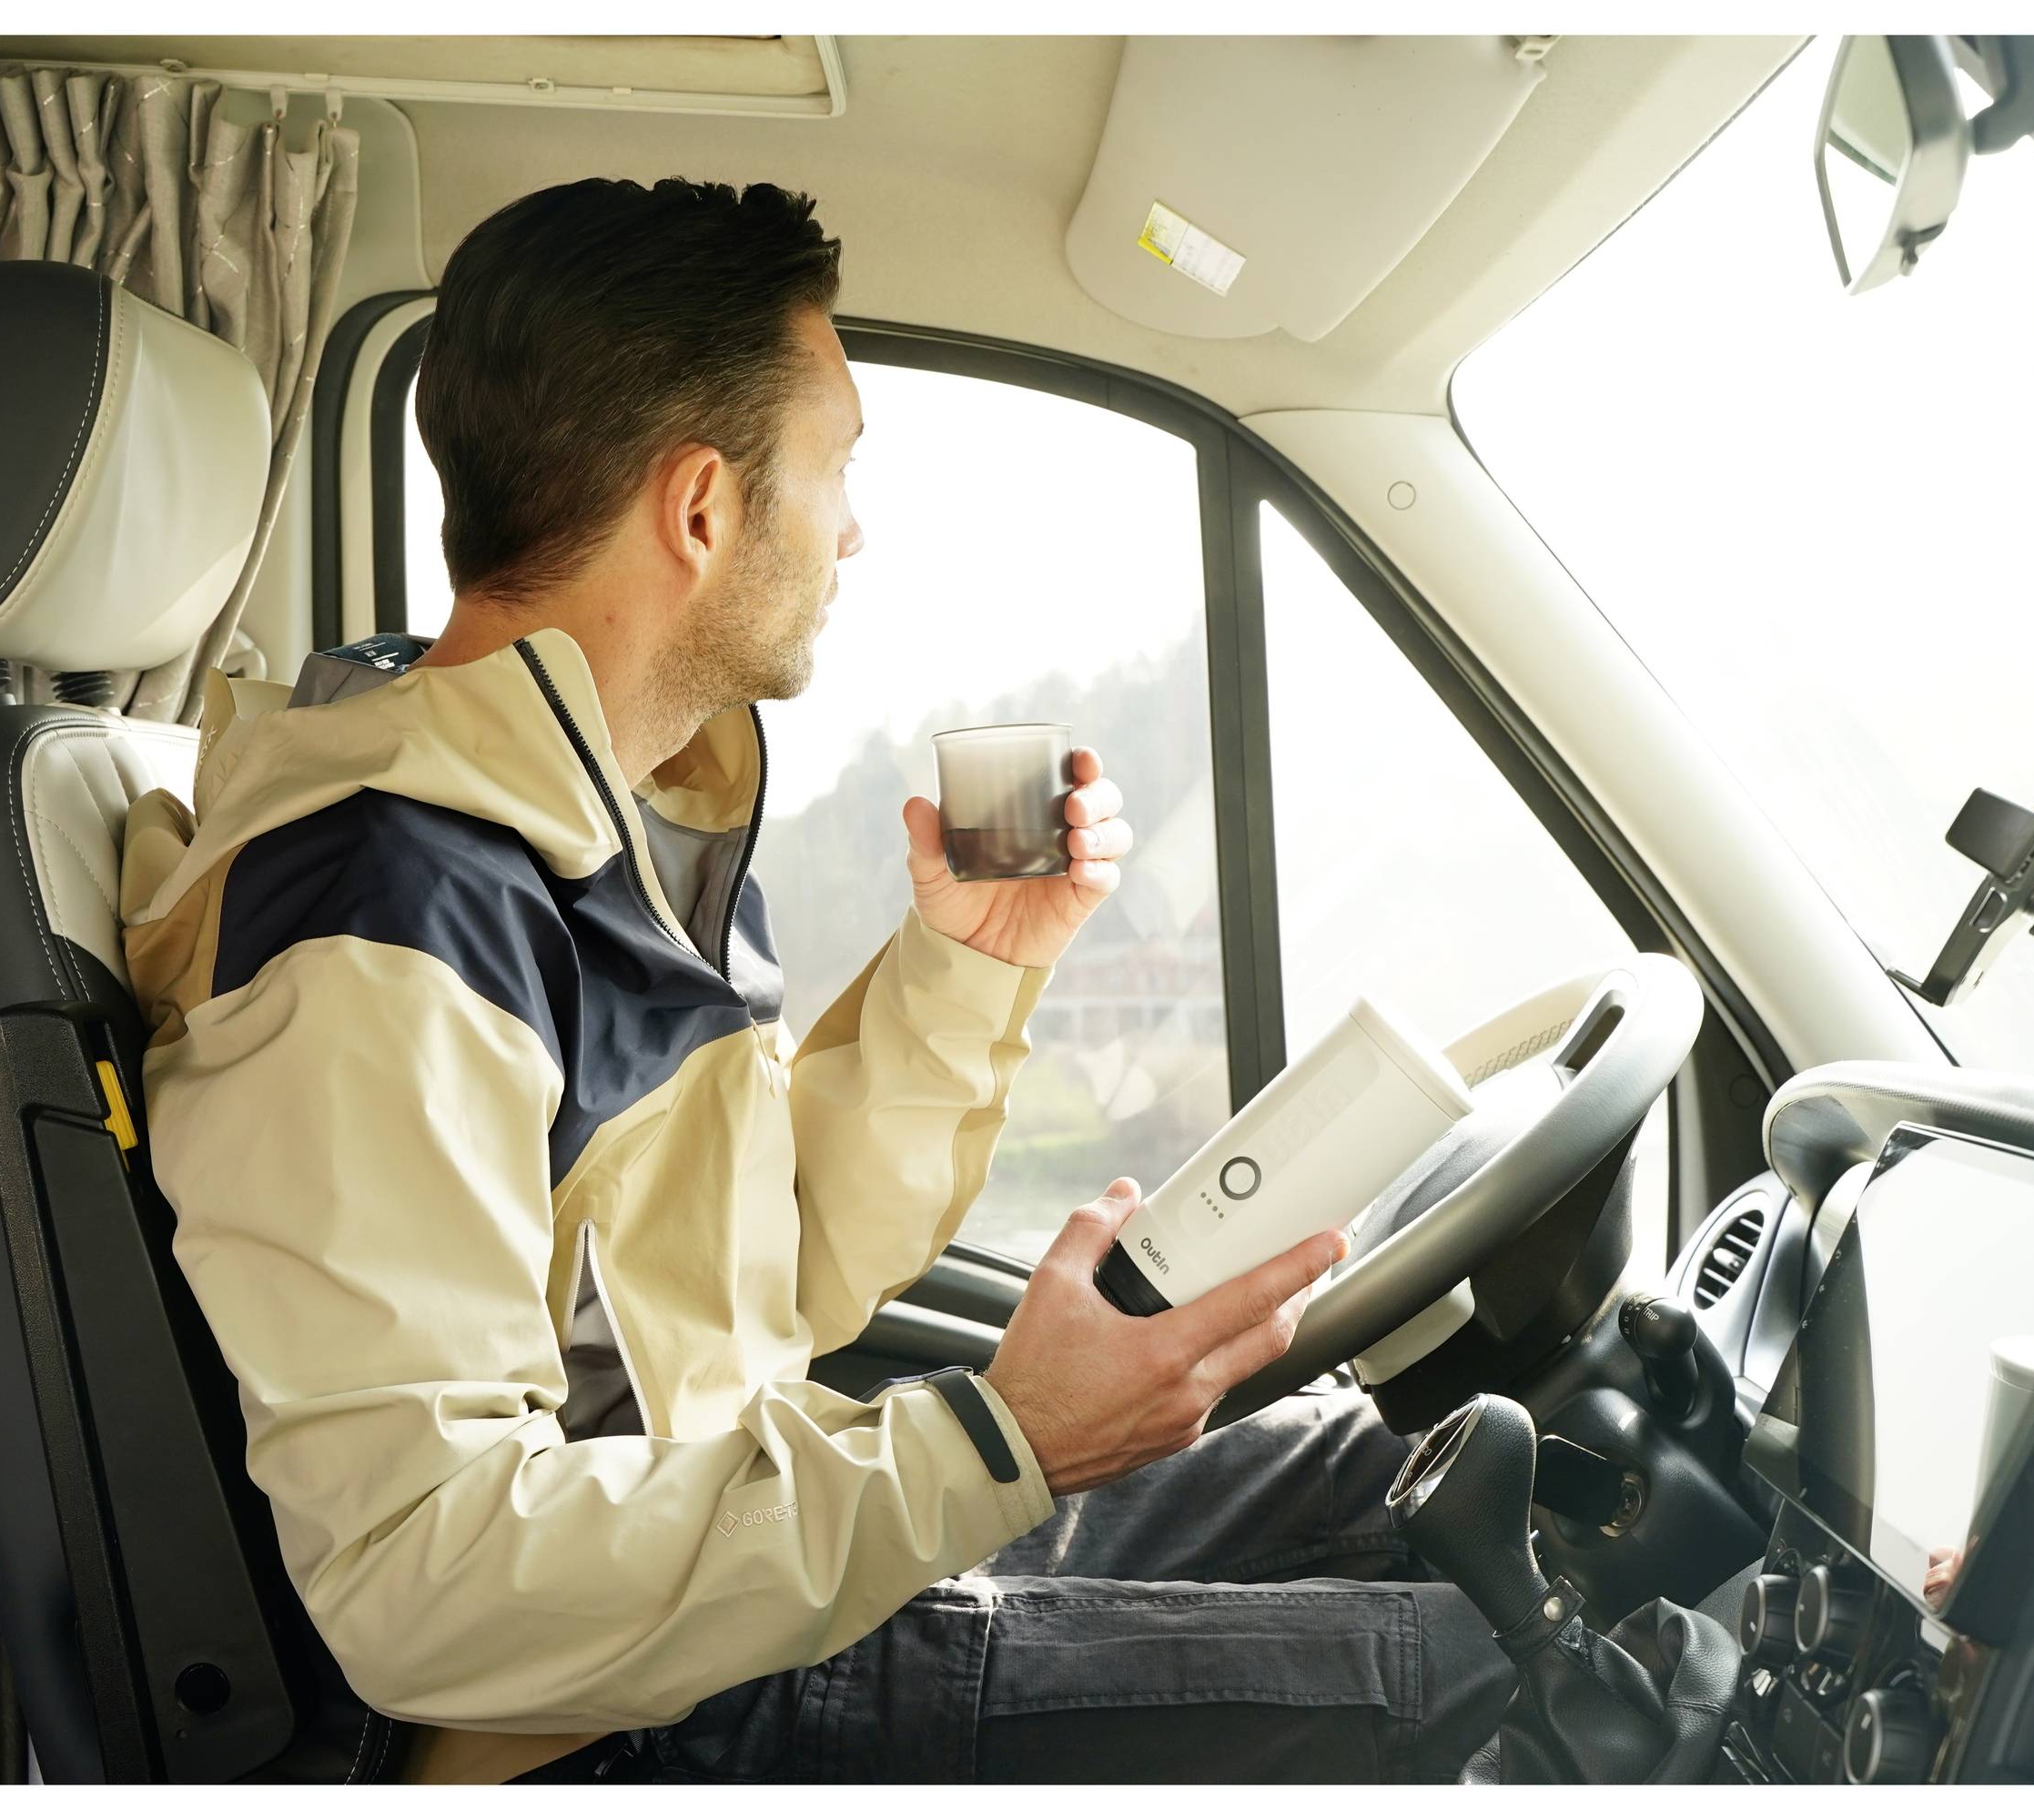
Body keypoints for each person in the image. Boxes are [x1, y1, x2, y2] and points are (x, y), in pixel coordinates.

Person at [117, 177, 1509, 1785]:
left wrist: (961, 973)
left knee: (1372, 1466)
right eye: (834, 466)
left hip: (720, 1559)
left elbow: (761, 1283)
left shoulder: (596, 825)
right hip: (598, 1723)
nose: (853, 526)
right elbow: (424, 1578)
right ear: (704, 509)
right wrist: (998, 1444)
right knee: (1460, 1676)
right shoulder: (385, 912)